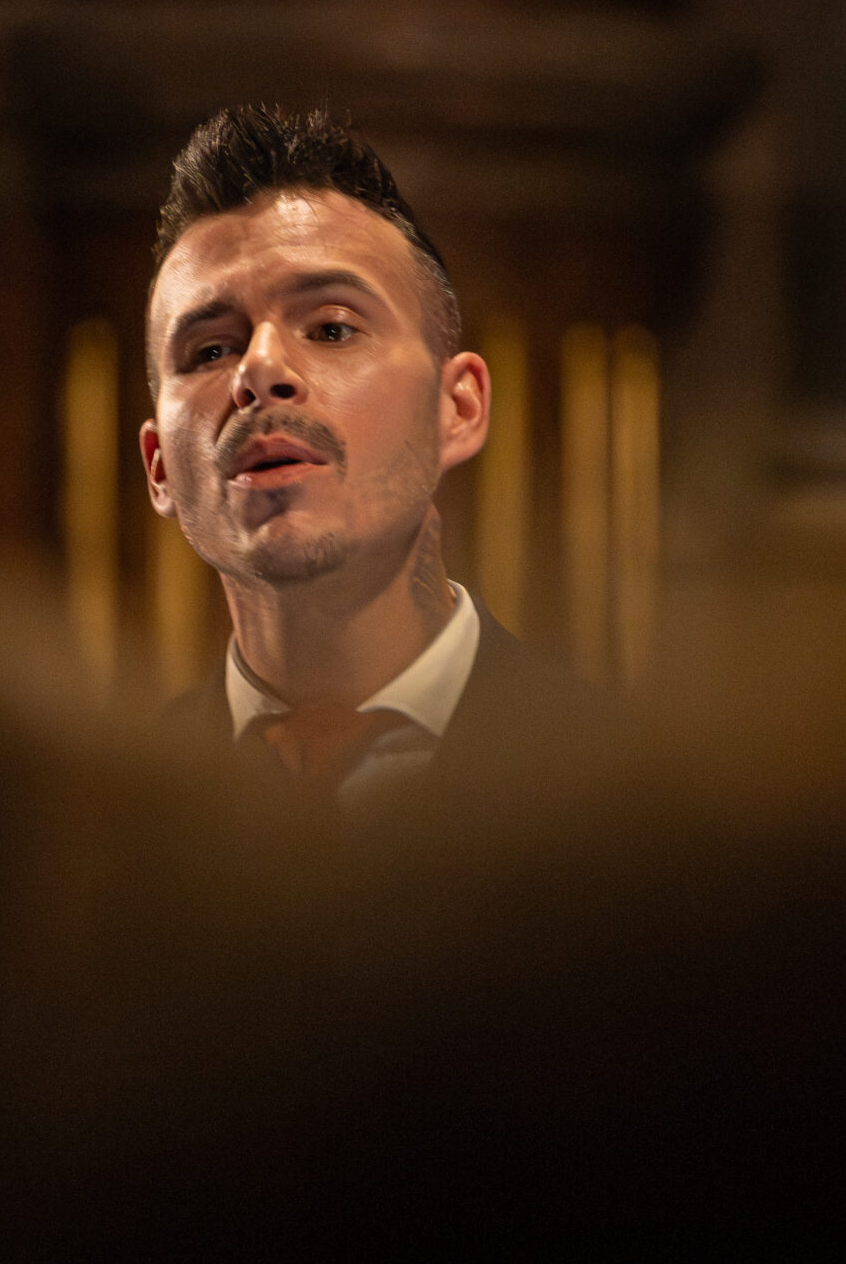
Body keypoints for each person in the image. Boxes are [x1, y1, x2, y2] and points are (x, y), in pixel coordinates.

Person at [137, 104, 589, 808]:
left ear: (456, 408)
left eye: (331, 329)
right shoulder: (101, 821)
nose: (259, 368)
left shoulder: (634, 786)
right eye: (212, 350)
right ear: (160, 464)